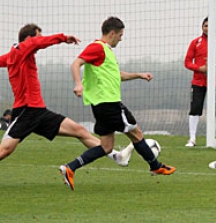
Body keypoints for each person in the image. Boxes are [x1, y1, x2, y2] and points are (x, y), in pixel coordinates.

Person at [0, 23, 126, 191]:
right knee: (3, 152)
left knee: (79, 130)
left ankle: (115, 156)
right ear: (28, 39)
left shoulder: (14, 55)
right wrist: (64, 37)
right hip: (25, 112)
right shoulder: (21, 49)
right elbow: (39, 42)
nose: (39, 41)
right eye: (37, 37)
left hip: (39, 111)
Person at [59, 16, 176, 190]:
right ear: (112, 33)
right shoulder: (97, 48)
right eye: (120, 35)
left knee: (106, 146)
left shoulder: (106, 52)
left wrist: (139, 75)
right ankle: (155, 166)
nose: (121, 38)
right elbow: (76, 63)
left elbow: (118, 75)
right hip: (109, 104)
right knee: (136, 133)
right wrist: (78, 83)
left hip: (101, 105)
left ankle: (71, 167)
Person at [184, 17, 216, 147]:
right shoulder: (195, 43)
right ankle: (192, 138)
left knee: (215, 110)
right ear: (202, 27)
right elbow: (187, 62)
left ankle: (212, 137)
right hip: (198, 82)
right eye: (205, 26)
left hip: (215, 83)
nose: (207, 28)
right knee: (195, 109)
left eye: (210, 26)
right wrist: (200, 68)